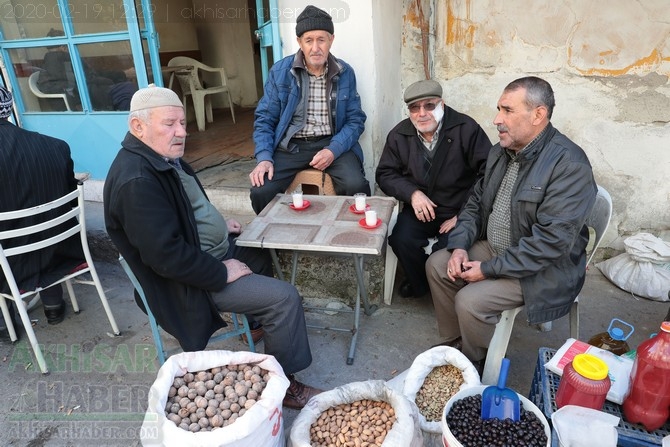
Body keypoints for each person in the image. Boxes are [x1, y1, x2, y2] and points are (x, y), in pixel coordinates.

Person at [103, 85, 321, 409]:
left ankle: (261, 326)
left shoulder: (161, 156)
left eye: (183, 122)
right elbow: (166, 257)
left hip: (205, 256)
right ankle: (284, 385)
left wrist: (221, 225)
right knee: (285, 298)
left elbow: (191, 204)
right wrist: (221, 272)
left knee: (263, 245)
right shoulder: (137, 181)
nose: (181, 132)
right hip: (185, 284)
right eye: (170, 124)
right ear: (138, 126)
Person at [425, 76, 597, 372]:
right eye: (498, 109)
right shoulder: (501, 152)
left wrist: (488, 270)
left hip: (543, 270)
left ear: (538, 115)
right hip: (497, 248)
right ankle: (458, 341)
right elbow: (475, 205)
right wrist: (459, 248)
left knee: (470, 301)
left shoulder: (569, 164)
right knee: (439, 264)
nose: (496, 119)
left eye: (507, 110)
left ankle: (476, 361)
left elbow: (550, 244)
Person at [376, 79, 492, 299]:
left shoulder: (466, 129)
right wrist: (412, 193)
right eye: (414, 108)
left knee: (444, 252)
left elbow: (488, 175)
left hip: (458, 209)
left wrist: (464, 215)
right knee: (401, 240)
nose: (422, 114)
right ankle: (422, 285)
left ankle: (443, 288)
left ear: (442, 105)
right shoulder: (399, 135)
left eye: (429, 106)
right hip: (421, 210)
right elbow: (385, 174)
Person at [249, 5, 370, 214]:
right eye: (309, 40)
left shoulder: (345, 72)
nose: (316, 48)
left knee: (356, 186)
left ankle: (350, 240)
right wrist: (264, 158)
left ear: (331, 40)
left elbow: (355, 120)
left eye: (321, 40)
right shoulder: (280, 72)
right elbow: (265, 119)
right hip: (291, 145)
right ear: (299, 42)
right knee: (261, 190)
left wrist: (333, 150)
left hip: (332, 142)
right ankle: (276, 244)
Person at [0, 85, 84, 341]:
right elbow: (69, 204)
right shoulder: (55, 147)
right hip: (62, 252)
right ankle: (53, 305)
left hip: (12, 265)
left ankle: (6, 325)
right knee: (41, 222)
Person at [38, 28, 136, 111]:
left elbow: (89, 76)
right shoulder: (61, 61)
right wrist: (118, 76)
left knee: (127, 90)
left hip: (93, 92)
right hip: (90, 96)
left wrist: (122, 74)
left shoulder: (57, 61)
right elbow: (85, 80)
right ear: (63, 47)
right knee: (127, 91)